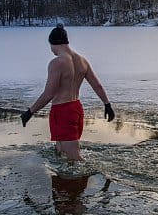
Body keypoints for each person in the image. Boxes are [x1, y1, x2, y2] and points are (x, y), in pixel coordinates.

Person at [20, 23, 115, 161]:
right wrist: (107, 104)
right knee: (62, 151)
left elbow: (49, 94)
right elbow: (97, 85)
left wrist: (30, 112)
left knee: (74, 157)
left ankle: (100, 174)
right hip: (76, 108)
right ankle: (64, 181)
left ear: (53, 43)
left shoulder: (57, 63)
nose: (51, 50)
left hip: (62, 111)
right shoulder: (82, 61)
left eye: (50, 46)